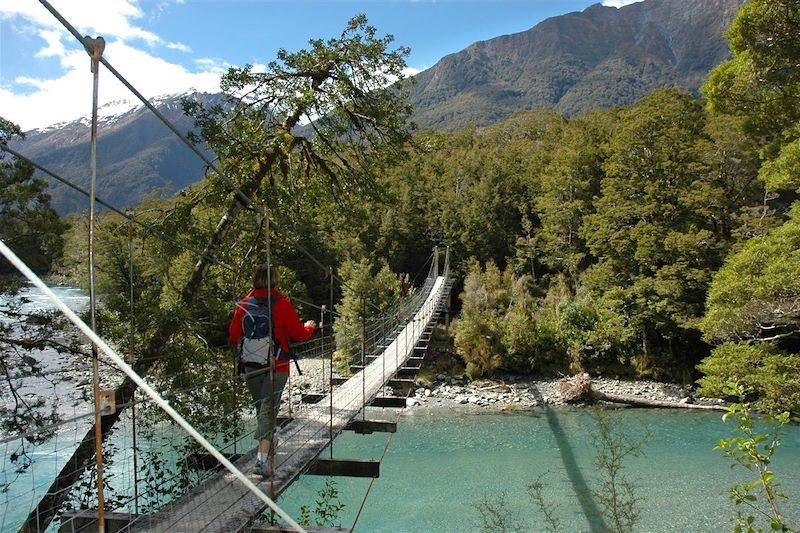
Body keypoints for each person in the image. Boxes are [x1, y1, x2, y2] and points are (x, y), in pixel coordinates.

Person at [229, 264, 315, 473]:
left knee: (263, 408)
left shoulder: (243, 305)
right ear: (276, 281)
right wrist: (310, 326)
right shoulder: (282, 304)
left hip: (250, 365)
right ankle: (261, 461)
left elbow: (233, 335)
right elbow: (298, 333)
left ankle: (268, 444)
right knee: (268, 410)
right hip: (277, 366)